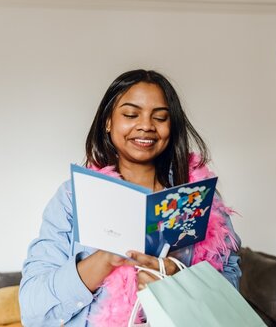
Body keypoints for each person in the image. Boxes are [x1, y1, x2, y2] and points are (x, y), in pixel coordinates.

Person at [19, 70, 241, 326]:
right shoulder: (71, 198)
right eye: (131, 114)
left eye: (159, 117)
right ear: (108, 121)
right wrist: (105, 260)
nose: (146, 125)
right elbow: (32, 309)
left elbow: (230, 288)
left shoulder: (197, 197)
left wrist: (178, 279)